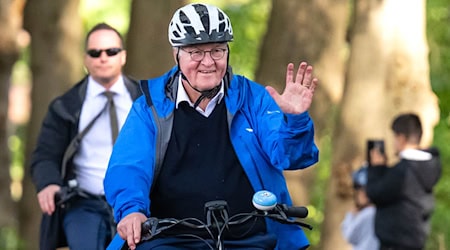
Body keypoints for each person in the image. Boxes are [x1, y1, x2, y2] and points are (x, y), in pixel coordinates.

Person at [104, 3, 319, 250]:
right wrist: (132, 210)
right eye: (196, 52)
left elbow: (290, 156)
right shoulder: (149, 108)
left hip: (249, 237)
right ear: (177, 53)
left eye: (217, 50)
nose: (208, 62)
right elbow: (128, 166)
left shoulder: (253, 98)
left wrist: (295, 120)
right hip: (170, 240)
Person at [30, 22, 141, 250]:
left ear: (123, 56)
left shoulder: (145, 100)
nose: (103, 57)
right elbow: (45, 155)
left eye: (111, 51)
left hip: (138, 203)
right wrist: (49, 183)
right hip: (84, 204)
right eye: (95, 52)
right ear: (85, 59)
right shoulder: (66, 106)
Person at [366, 113, 442, 250]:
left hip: (395, 244)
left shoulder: (403, 172)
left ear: (401, 138)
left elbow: (375, 193)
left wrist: (377, 168)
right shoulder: (427, 167)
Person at [341, 165, 379, 250]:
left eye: (364, 190)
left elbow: (350, 236)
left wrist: (350, 216)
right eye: (359, 190)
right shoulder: (378, 211)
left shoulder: (368, 213)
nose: (361, 194)